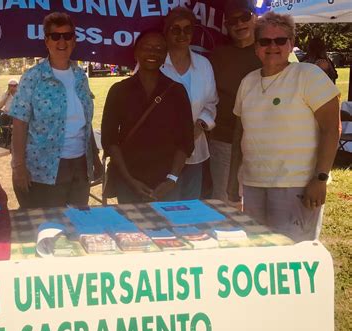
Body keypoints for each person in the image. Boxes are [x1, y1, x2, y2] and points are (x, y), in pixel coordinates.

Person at [227, 12, 341, 242]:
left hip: (297, 187)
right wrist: (232, 182)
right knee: (259, 254)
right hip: (253, 185)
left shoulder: (309, 75)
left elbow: (332, 129)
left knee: (292, 259)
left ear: (290, 44)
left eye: (280, 40)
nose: (273, 46)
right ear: (256, 47)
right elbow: (240, 134)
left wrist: (320, 179)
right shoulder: (247, 82)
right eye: (265, 41)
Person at [9, 12, 102, 208]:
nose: (62, 41)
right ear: (47, 41)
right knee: (49, 229)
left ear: (74, 41)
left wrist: (95, 158)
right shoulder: (33, 77)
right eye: (55, 36)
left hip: (80, 167)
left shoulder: (80, 77)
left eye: (67, 36)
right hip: (45, 170)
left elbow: (85, 121)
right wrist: (18, 166)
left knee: (77, 226)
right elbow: (19, 122)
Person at [101, 30, 194, 204]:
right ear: (136, 53)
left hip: (167, 184)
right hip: (128, 182)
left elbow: (186, 140)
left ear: (165, 54)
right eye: (147, 47)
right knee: (129, 231)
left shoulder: (177, 91)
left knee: (168, 230)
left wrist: (171, 180)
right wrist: (129, 181)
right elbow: (109, 140)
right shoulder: (119, 91)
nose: (152, 52)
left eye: (159, 48)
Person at [160, 7, 218, 200]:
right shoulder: (154, 62)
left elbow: (211, 102)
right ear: (166, 32)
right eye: (175, 29)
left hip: (195, 150)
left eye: (187, 29)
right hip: (161, 153)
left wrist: (200, 125)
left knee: (190, 210)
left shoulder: (203, 65)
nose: (182, 34)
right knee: (165, 209)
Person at [209, 0, 262, 203]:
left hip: (262, 142)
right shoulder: (218, 56)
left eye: (245, 17)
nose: (239, 24)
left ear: (255, 18)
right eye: (233, 21)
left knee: (257, 203)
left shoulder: (269, 49)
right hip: (224, 141)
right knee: (224, 203)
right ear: (226, 25)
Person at [0, 78, 18, 143]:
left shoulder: (21, 94)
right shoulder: (5, 94)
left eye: (14, 86)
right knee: (1, 118)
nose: (12, 87)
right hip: (7, 114)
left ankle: (15, 137)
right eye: (10, 85)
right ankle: (7, 137)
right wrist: (7, 96)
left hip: (18, 115)